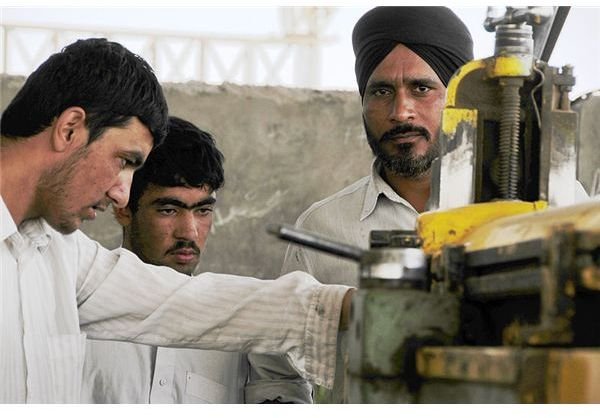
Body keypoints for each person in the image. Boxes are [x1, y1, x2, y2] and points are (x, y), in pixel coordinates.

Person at [0, 37, 353, 403]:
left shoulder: (61, 254)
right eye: (123, 161)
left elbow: (188, 302)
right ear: (70, 128)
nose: (121, 193)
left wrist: (355, 306)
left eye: (203, 209)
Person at [280, 7, 474, 402]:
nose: (401, 112)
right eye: (382, 91)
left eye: (422, 89)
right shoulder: (321, 228)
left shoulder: (544, 207)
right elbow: (277, 374)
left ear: (459, 99)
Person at [81, 116, 312, 403]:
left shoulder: (239, 326)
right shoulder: (81, 313)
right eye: (168, 209)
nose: (189, 231)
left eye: (202, 210)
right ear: (123, 208)